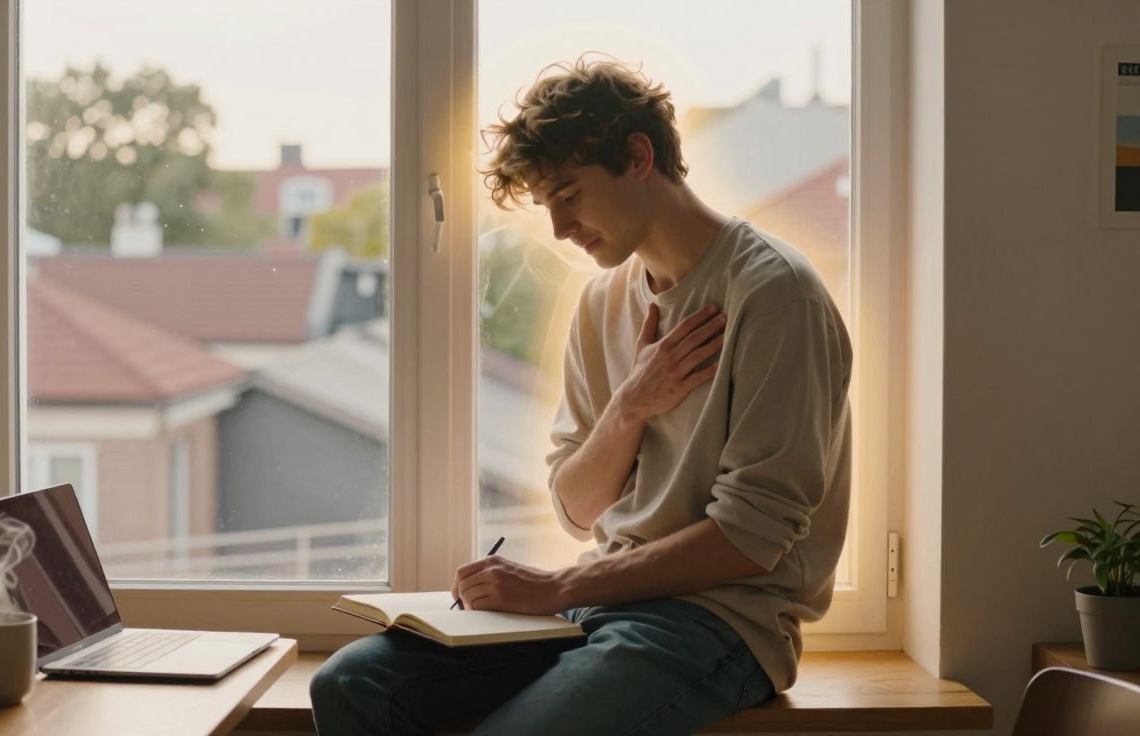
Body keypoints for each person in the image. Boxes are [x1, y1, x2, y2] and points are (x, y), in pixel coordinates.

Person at [310, 56, 852, 736]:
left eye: (569, 193)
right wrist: (631, 404)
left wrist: (558, 586)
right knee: (352, 682)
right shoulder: (602, 300)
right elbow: (577, 504)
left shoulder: (775, 295)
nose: (561, 228)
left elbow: (751, 540)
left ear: (637, 156)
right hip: (606, 603)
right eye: (546, 206)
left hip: (721, 623)